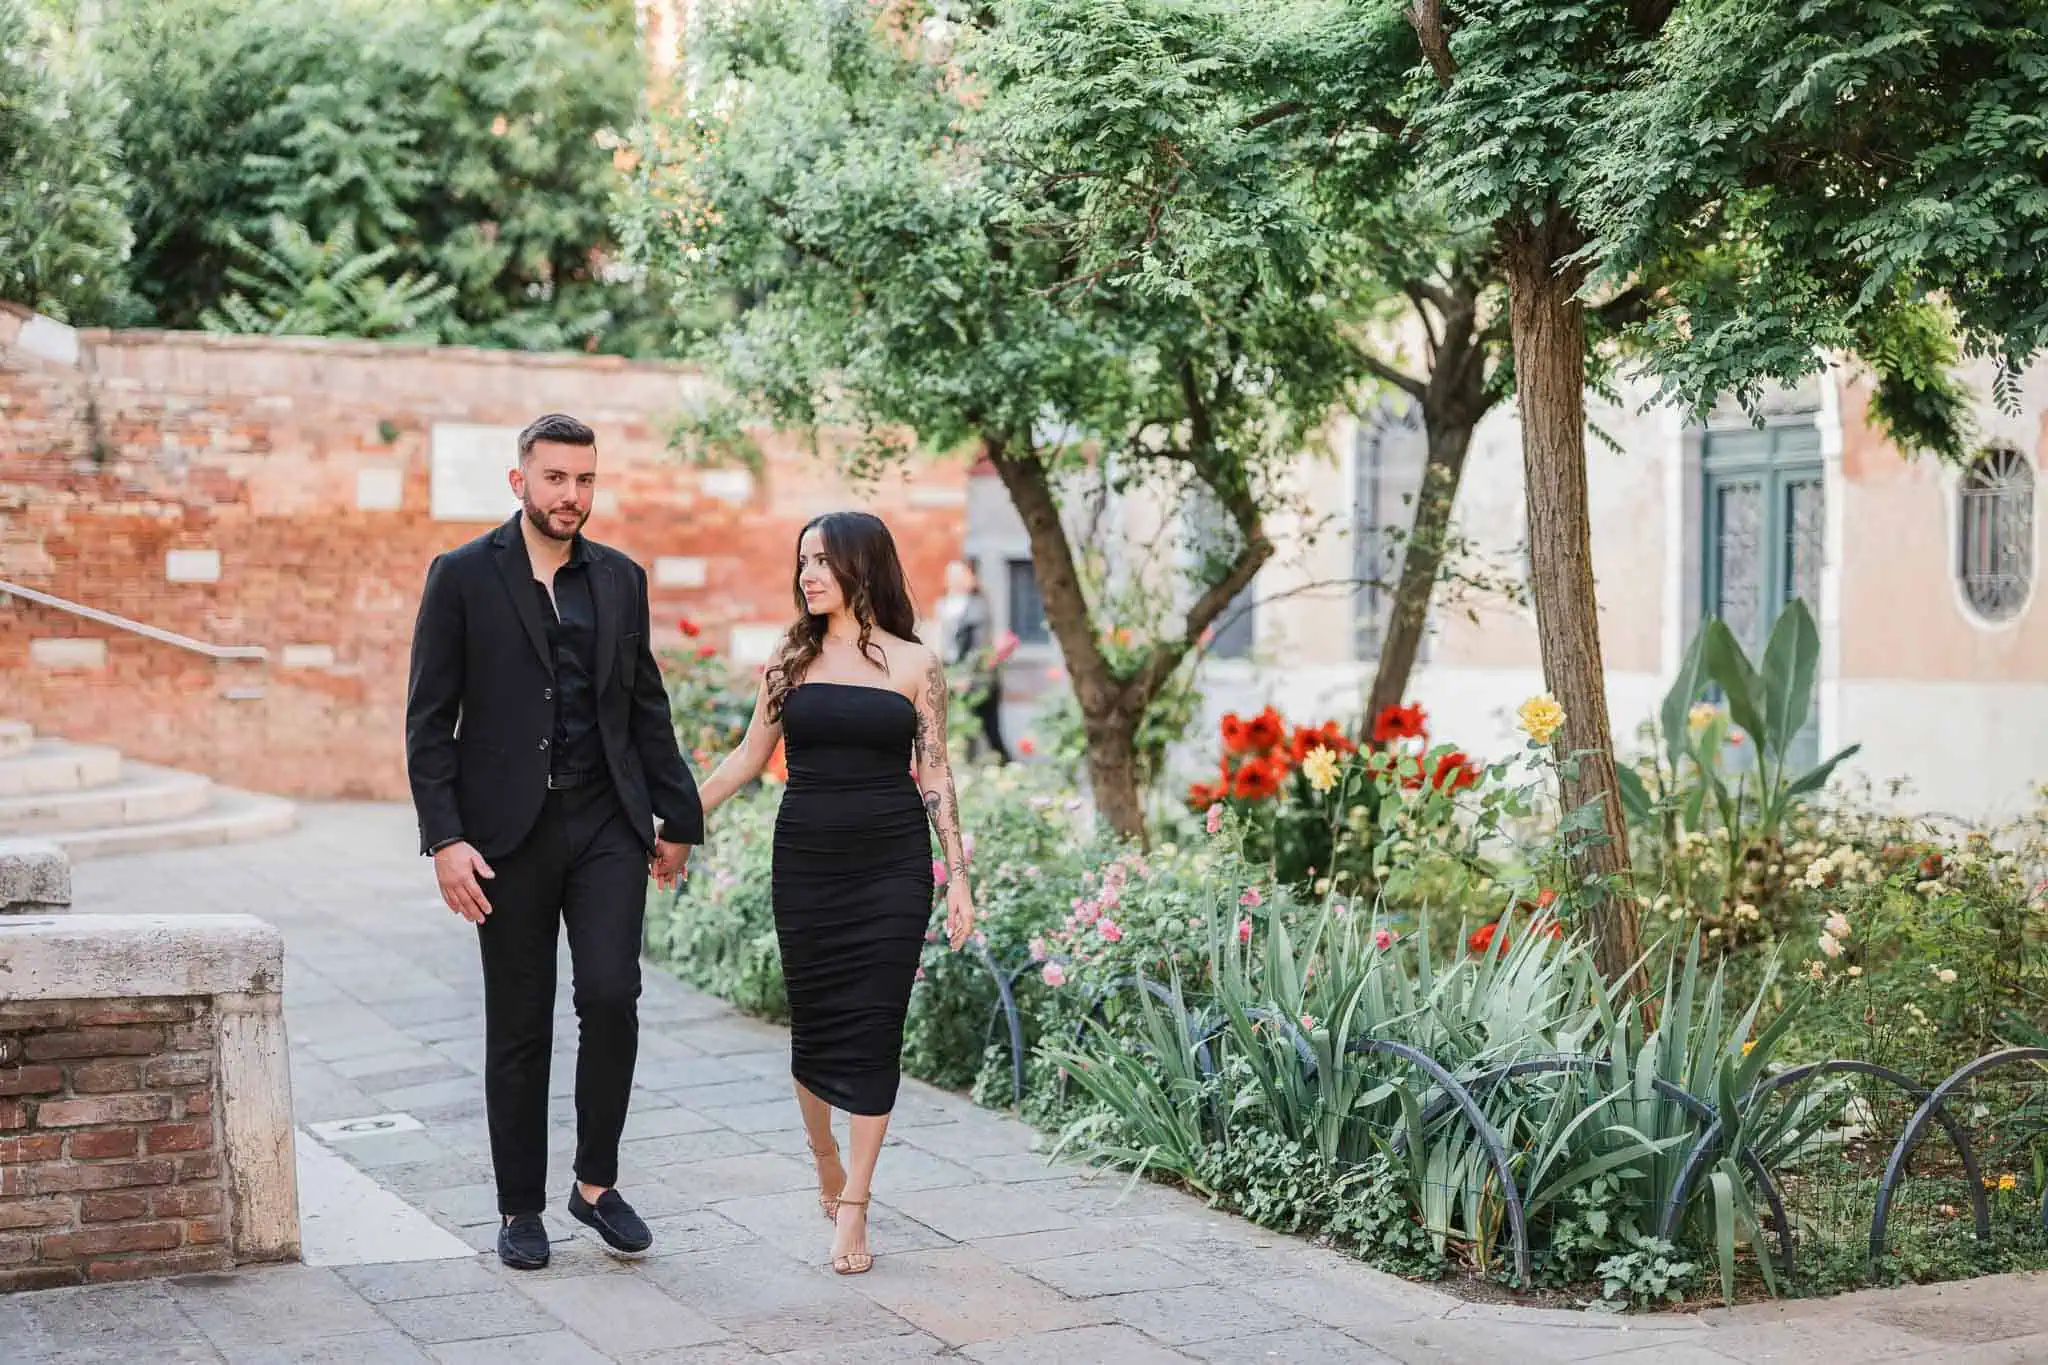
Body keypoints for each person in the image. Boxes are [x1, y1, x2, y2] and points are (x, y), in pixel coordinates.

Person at [404, 412, 701, 1271]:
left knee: (612, 994)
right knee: (520, 1023)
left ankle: (595, 1184)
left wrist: (678, 817)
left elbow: (646, 704)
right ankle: (519, 1207)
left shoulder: (620, 579)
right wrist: (445, 839)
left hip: (607, 819)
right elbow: (429, 720)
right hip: (507, 834)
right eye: (557, 479)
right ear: (520, 482)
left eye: (586, 480)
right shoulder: (462, 576)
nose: (573, 495)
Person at [695, 511, 975, 1275]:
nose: (808, 574)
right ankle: (823, 1153)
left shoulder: (916, 663)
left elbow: (938, 772)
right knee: (815, 1028)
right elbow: (749, 757)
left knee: (877, 1026)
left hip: (891, 865)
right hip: (809, 864)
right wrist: (678, 821)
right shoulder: (791, 658)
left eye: (821, 560)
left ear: (861, 566)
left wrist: (958, 878)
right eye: (802, 562)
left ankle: (855, 1207)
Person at [934, 559, 1010, 763]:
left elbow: (979, 646)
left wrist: (967, 676)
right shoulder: (943, 605)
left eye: (959, 575)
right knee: (959, 730)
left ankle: (1006, 767)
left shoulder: (978, 606)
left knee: (989, 729)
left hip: (979, 679)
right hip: (950, 675)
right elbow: (942, 642)